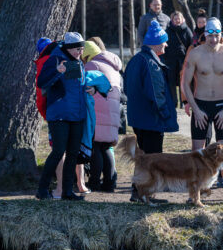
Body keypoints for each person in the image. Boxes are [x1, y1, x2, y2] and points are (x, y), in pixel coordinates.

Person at [181, 17, 223, 203]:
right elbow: (185, 82)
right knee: (197, 151)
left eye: (216, 36)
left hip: (222, 105)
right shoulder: (196, 54)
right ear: (204, 35)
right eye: (210, 36)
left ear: (221, 35)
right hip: (202, 105)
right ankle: (195, 194)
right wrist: (195, 108)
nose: (213, 40)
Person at [36, 32, 95, 200]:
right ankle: (42, 189)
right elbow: (41, 82)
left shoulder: (77, 61)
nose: (80, 52)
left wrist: (91, 89)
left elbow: (76, 87)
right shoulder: (55, 59)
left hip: (76, 115)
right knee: (58, 151)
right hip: (59, 115)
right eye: (77, 49)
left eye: (82, 49)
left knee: (73, 153)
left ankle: (67, 191)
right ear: (69, 48)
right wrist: (57, 71)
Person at [124, 20, 178, 202]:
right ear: (156, 43)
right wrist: (165, 114)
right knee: (152, 158)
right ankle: (145, 194)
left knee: (143, 158)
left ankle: (137, 192)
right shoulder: (151, 63)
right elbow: (156, 94)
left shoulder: (136, 60)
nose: (166, 44)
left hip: (139, 118)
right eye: (164, 41)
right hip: (151, 119)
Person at [82, 41, 122, 192]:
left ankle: (94, 182)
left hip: (97, 111)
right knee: (106, 147)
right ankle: (110, 182)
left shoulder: (92, 65)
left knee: (95, 147)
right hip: (112, 111)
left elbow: (83, 86)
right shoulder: (113, 66)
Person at [164, 11, 193, 107]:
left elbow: (191, 45)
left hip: (183, 60)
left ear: (182, 19)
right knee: (171, 82)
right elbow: (164, 45)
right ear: (172, 20)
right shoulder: (168, 31)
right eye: (175, 19)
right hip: (170, 61)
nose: (177, 20)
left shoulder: (187, 30)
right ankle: (173, 102)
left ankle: (183, 102)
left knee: (182, 82)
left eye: (178, 18)